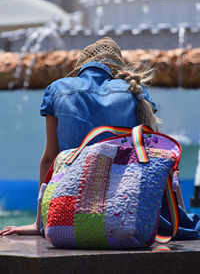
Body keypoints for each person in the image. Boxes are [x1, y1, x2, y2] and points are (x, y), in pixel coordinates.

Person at [0, 37, 199, 240]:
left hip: (69, 207)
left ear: (82, 67)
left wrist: (39, 223)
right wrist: (178, 218)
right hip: (126, 207)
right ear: (116, 68)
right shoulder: (134, 92)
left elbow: (50, 158)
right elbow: (161, 158)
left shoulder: (56, 89)